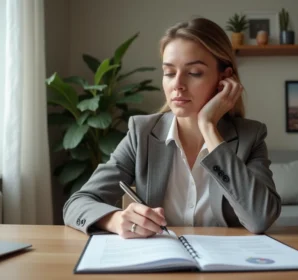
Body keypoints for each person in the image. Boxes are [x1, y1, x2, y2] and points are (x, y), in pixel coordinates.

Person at [63, 17, 281, 238]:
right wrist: (115, 219)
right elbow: (76, 204)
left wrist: (208, 126)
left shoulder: (250, 137)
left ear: (224, 79)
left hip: (226, 267)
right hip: (161, 264)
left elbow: (260, 218)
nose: (177, 84)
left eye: (194, 72)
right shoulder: (142, 133)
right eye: (169, 73)